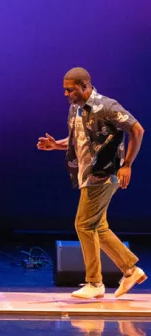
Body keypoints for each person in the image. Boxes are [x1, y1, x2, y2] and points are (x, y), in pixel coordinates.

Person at [37, 67, 146, 299]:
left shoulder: (106, 106)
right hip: (87, 174)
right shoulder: (75, 108)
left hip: (104, 174)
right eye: (65, 89)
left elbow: (137, 130)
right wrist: (56, 145)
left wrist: (127, 164)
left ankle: (95, 283)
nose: (66, 94)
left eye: (71, 89)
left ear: (85, 86)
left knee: (83, 224)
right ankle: (130, 269)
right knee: (98, 226)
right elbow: (79, 139)